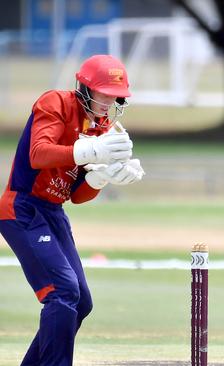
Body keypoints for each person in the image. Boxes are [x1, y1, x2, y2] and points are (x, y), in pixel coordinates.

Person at [0, 54, 145, 365]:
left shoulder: (104, 127)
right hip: (22, 207)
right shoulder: (55, 102)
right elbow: (39, 155)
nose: (109, 101)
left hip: (53, 213)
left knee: (81, 303)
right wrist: (93, 150)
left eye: (115, 95)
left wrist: (102, 177)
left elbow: (77, 196)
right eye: (103, 92)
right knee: (63, 293)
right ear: (84, 88)